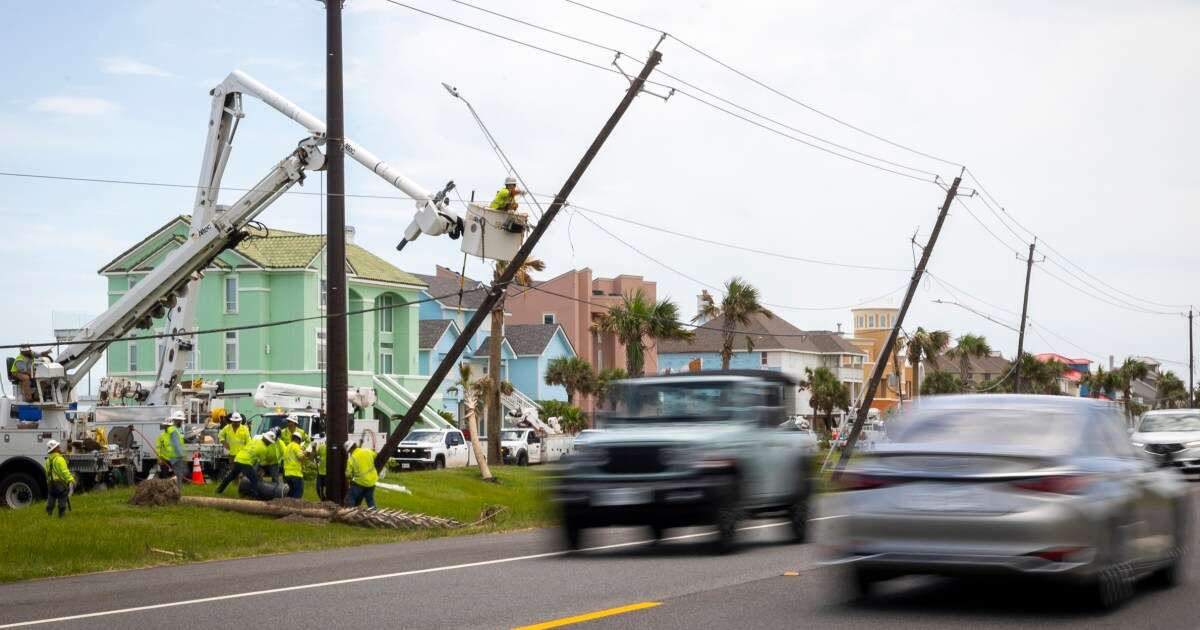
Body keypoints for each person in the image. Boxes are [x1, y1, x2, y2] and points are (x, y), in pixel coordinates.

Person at [44, 440, 74, 518]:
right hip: (60, 484)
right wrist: (71, 479)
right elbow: (64, 472)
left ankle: (48, 513)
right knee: (62, 498)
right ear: (54, 449)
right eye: (58, 447)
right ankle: (61, 515)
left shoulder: (47, 460)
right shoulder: (60, 459)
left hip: (50, 483)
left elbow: (47, 472)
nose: (59, 448)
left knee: (51, 498)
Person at [345, 440, 378, 509]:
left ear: (350, 450)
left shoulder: (352, 458)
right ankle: (375, 513)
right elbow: (376, 455)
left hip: (360, 483)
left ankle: (351, 514)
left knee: (350, 497)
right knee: (370, 500)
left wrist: (350, 478)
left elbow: (348, 474)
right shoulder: (367, 451)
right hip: (372, 482)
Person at [282, 433, 306, 499]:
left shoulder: (287, 447)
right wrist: (306, 453)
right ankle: (295, 508)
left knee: (290, 494)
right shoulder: (296, 445)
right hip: (296, 474)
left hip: (287, 474)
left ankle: (288, 508)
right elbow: (300, 457)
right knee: (298, 493)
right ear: (298, 439)